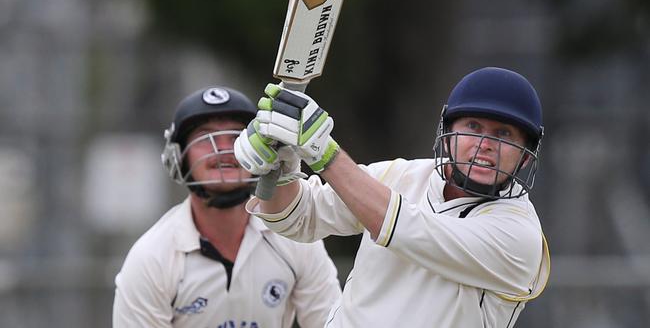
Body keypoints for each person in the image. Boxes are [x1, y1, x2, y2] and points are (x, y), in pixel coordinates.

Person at [234, 67, 551, 327]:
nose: (484, 144)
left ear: (525, 156)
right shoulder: (403, 176)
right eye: (473, 126)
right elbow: (298, 217)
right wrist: (281, 168)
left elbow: (408, 229)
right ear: (447, 131)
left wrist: (322, 152)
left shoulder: (519, 236)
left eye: (503, 134)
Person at [112, 86, 341, 328]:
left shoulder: (295, 239)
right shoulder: (152, 258)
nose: (222, 149)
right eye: (205, 137)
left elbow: (331, 323)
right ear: (178, 157)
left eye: (235, 138)